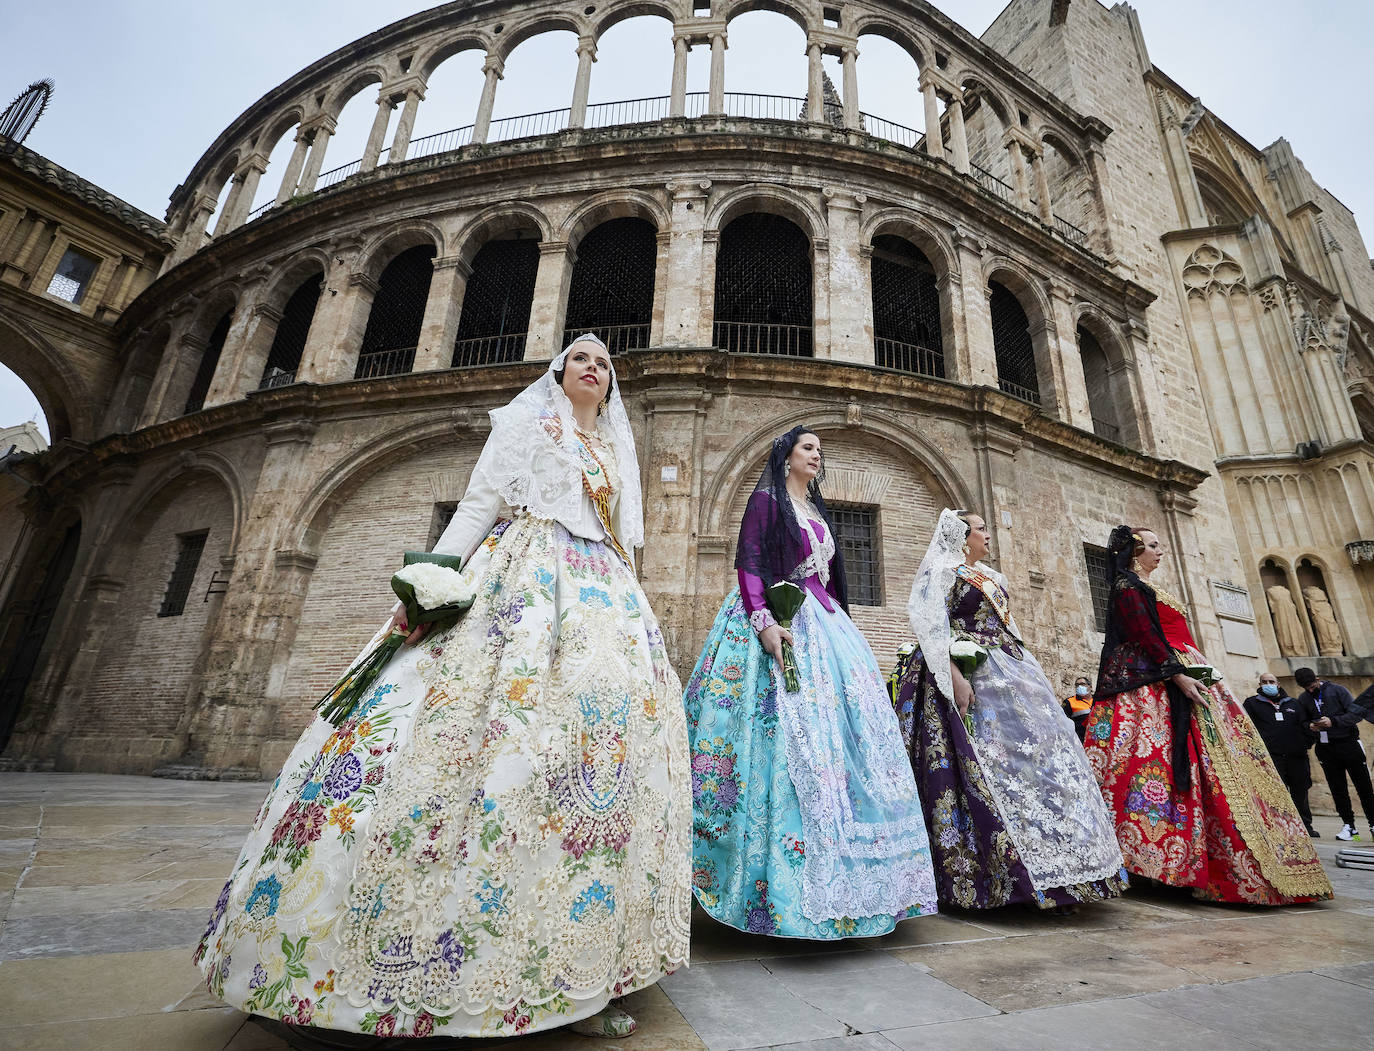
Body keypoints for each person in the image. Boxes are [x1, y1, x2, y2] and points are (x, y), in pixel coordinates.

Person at [194, 335, 691, 1041]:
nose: (593, 366)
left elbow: (621, 536)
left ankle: (579, 975)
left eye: (604, 363)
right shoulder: (526, 425)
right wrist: (429, 583)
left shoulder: (614, 448)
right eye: (580, 357)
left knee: (592, 774)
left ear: (611, 387)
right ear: (557, 374)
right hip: (521, 580)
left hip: (604, 602)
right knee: (479, 749)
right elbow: (477, 505)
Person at [683, 425, 937, 938]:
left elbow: (829, 583)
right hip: (778, 619)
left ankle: (866, 887)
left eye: (821, 450)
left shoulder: (818, 514)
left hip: (826, 626)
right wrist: (763, 622)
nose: (817, 456)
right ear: (786, 456)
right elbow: (750, 563)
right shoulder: (765, 502)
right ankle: (773, 885)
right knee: (777, 745)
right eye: (808, 448)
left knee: (852, 743)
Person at [890, 509, 1126, 911]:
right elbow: (931, 627)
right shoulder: (944, 573)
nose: (987, 535)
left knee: (1040, 756)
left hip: (1008, 666)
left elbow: (1009, 628)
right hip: (963, 669)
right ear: (963, 536)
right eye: (981, 529)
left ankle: (1064, 865)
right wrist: (953, 676)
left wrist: (1031, 675)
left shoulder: (994, 578)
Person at [1083, 526, 1331, 904]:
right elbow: (1144, 635)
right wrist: (1177, 674)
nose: (1160, 551)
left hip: (1186, 665)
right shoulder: (1128, 586)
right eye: (1152, 545)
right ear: (1134, 552)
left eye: (1159, 544)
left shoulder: (1146, 585)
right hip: (1164, 675)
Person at [1294, 666, 1374, 842]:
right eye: (1306, 688)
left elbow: (1357, 714)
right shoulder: (1303, 698)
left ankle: (1372, 823)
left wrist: (1334, 721)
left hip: (1348, 743)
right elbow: (1302, 721)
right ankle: (1349, 826)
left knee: (1364, 787)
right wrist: (1310, 726)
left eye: (1312, 686)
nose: (1310, 690)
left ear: (1317, 679)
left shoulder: (1337, 690)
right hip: (1326, 748)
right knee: (1338, 789)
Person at [1242, 673, 1316, 836]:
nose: (1268, 684)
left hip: (1296, 756)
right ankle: (1278, 828)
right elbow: (1244, 727)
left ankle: (1304, 826)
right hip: (1270, 758)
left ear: (1278, 684)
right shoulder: (1252, 704)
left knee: (1300, 791)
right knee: (1273, 792)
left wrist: (1305, 744)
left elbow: (1306, 725)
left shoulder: (1294, 704)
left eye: (1271, 682)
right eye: (1265, 682)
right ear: (1260, 685)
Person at [1063, 675, 1094, 743]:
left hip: (1096, 739)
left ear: (1090, 687)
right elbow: (1064, 722)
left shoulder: (1097, 700)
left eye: (1083, 684)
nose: (1079, 687)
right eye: (1077, 685)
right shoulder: (1069, 702)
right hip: (1080, 739)